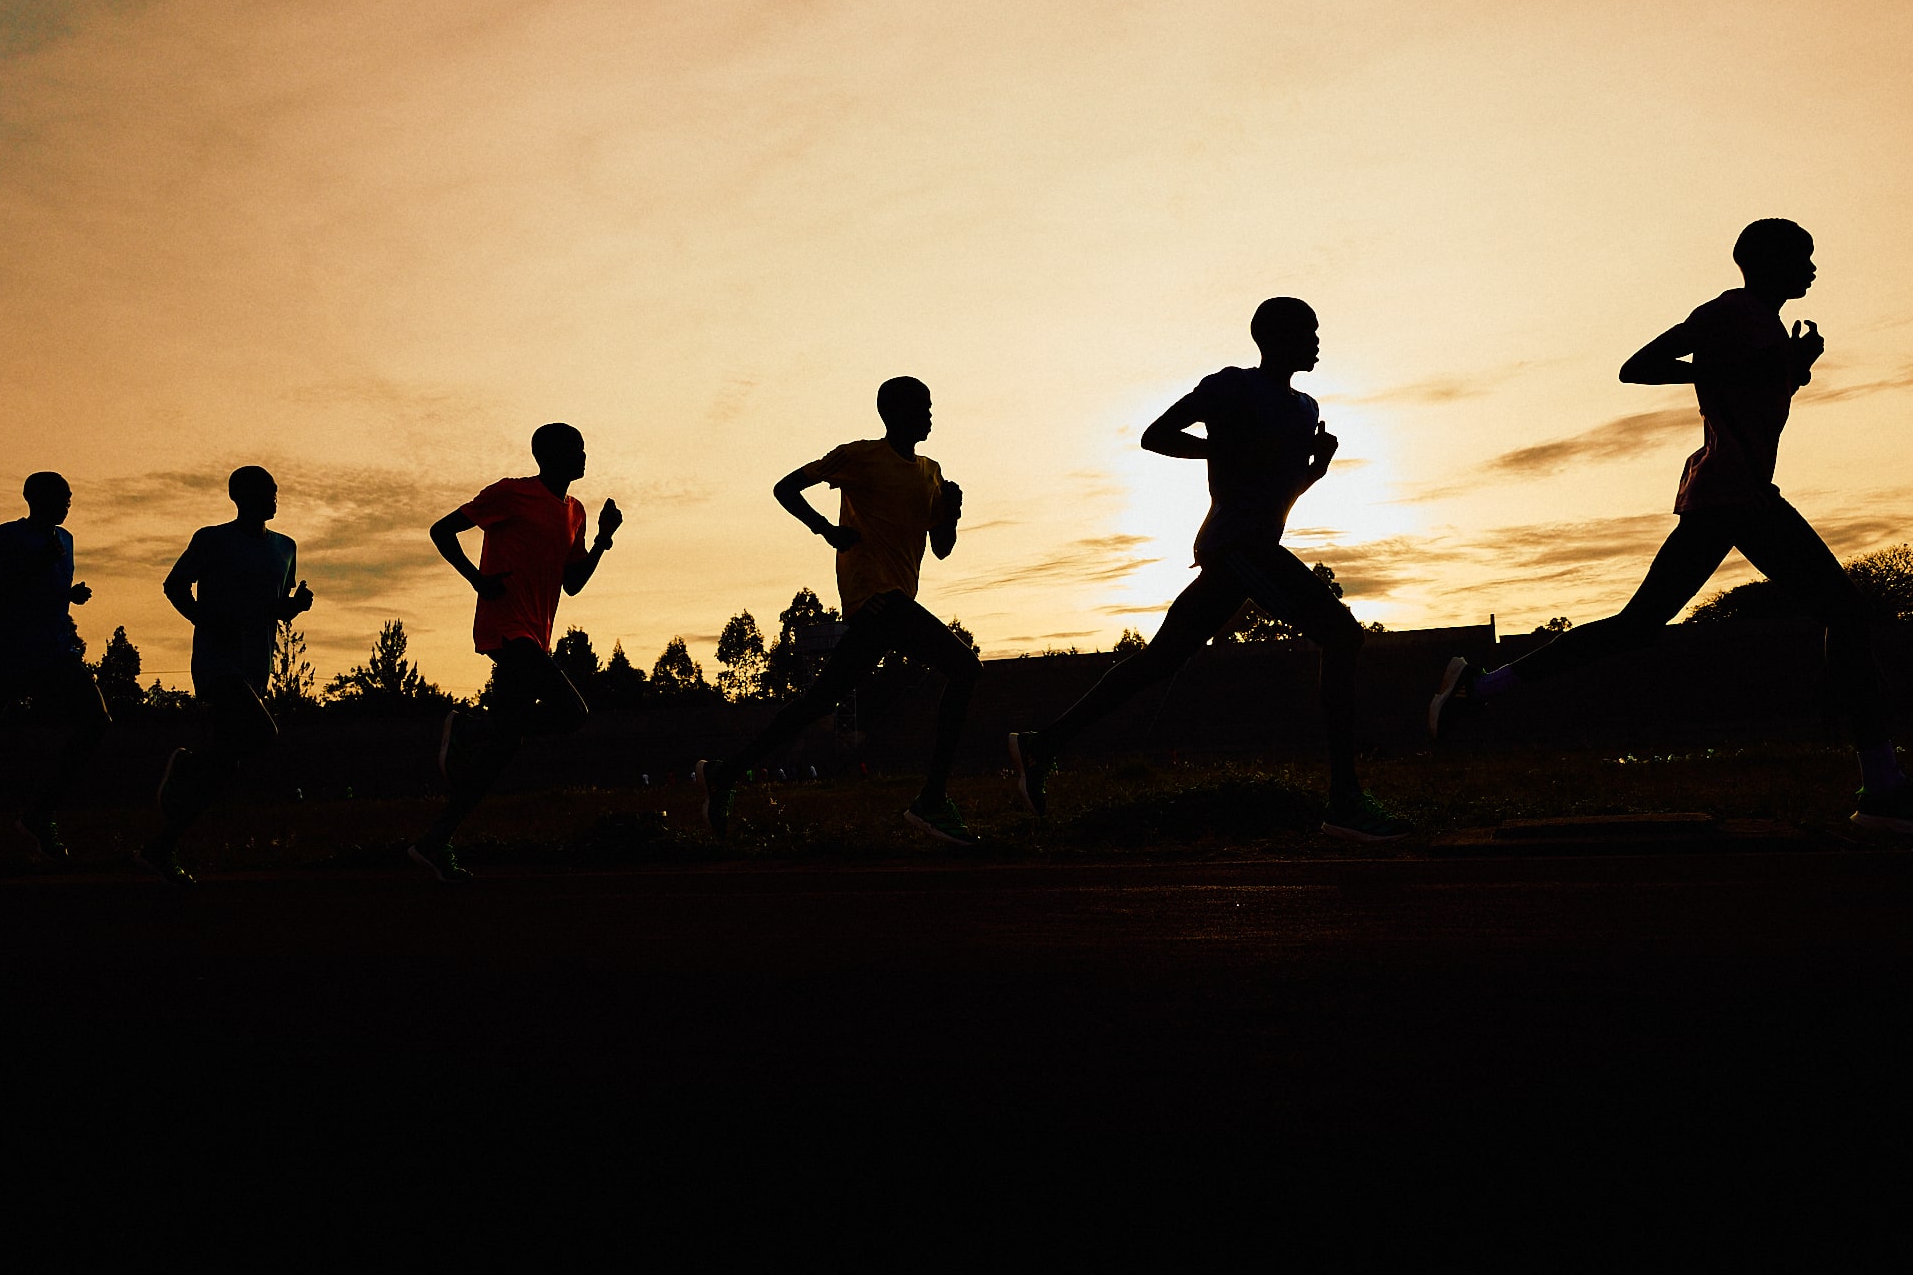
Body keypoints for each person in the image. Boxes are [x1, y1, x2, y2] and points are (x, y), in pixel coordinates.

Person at [1429, 218, 1910, 834]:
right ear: (1764, 261)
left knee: (1638, 625)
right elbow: (1639, 366)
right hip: (1734, 494)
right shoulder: (1727, 312)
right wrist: (1728, 371)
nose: (1813, 268)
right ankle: (1882, 786)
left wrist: (1794, 361)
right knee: (1843, 614)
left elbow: (1753, 384)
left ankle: (1479, 688)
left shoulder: (1762, 322)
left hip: (1738, 494)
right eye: (1803, 257)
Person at [1005, 299, 1409, 842]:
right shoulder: (1232, 387)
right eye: (1307, 331)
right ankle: (1345, 802)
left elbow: (1278, 495)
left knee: (1160, 660)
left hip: (1254, 546)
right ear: (1272, 337)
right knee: (1341, 635)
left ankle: (1041, 745)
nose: (1317, 340)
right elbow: (1157, 435)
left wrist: (1315, 469)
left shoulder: (1306, 409)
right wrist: (1229, 446)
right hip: (1236, 546)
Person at [696, 376, 982, 845]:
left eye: (931, 405)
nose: (930, 414)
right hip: (875, 598)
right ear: (892, 413)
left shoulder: (931, 472)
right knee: (965, 669)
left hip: (896, 602)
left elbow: (943, 548)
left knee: (818, 702)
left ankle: (725, 774)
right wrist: (825, 529)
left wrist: (951, 512)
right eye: (920, 405)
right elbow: (785, 488)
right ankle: (932, 800)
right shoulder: (858, 457)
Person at [416, 423, 621, 880]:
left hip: (536, 633)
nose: (585, 456)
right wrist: (476, 579)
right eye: (576, 449)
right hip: (509, 628)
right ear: (548, 455)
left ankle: (435, 841)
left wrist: (604, 539)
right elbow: (443, 530)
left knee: (504, 748)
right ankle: (469, 729)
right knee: (571, 711)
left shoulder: (575, 511)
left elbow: (573, 583)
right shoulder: (511, 493)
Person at [142, 466, 313, 884]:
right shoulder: (212, 540)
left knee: (227, 764)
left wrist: (298, 604)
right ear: (239, 496)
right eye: (264, 492)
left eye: (274, 491)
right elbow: (175, 585)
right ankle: (187, 770)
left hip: (258, 667)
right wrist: (204, 620)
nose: (273, 498)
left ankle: (160, 847)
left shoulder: (286, 547)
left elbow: (276, 607)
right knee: (262, 735)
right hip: (218, 663)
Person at [0, 472, 110, 860]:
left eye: (69, 496)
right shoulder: (6, 538)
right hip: (9, 653)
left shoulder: (66, 540)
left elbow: (43, 591)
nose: (67, 503)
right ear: (33, 499)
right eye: (61, 497)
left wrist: (68, 594)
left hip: (55, 652)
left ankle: (40, 814)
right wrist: (37, 567)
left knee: (97, 721)